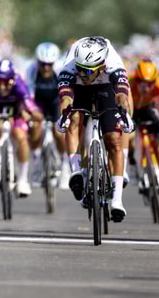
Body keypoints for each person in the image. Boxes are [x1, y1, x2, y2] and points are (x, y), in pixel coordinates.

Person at [57, 36, 133, 222]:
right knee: (73, 118)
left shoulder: (113, 63)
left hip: (106, 86)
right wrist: (64, 114)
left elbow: (122, 96)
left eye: (87, 71)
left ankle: (117, 200)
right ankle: (76, 171)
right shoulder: (70, 67)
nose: (82, 74)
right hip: (80, 91)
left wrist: (125, 115)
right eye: (80, 70)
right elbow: (66, 98)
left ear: (101, 65)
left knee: (114, 138)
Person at [0, 59, 43, 199]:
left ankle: (23, 180)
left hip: (17, 110)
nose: (2, 87)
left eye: (6, 82)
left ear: (13, 80)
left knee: (20, 136)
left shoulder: (20, 85)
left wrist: (32, 115)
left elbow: (31, 108)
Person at [129, 59, 159, 205]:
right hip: (130, 109)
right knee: (128, 136)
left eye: (150, 83)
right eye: (142, 82)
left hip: (148, 109)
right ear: (136, 79)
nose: (146, 86)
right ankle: (132, 164)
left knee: (157, 144)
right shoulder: (129, 82)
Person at [26, 42, 70, 189]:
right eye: (42, 64)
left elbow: (66, 94)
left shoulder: (60, 69)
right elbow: (29, 95)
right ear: (37, 62)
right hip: (39, 101)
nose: (45, 67)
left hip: (56, 101)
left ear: (54, 63)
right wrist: (32, 114)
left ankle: (65, 166)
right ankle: (37, 163)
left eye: (49, 64)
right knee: (35, 128)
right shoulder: (31, 70)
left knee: (59, 133)